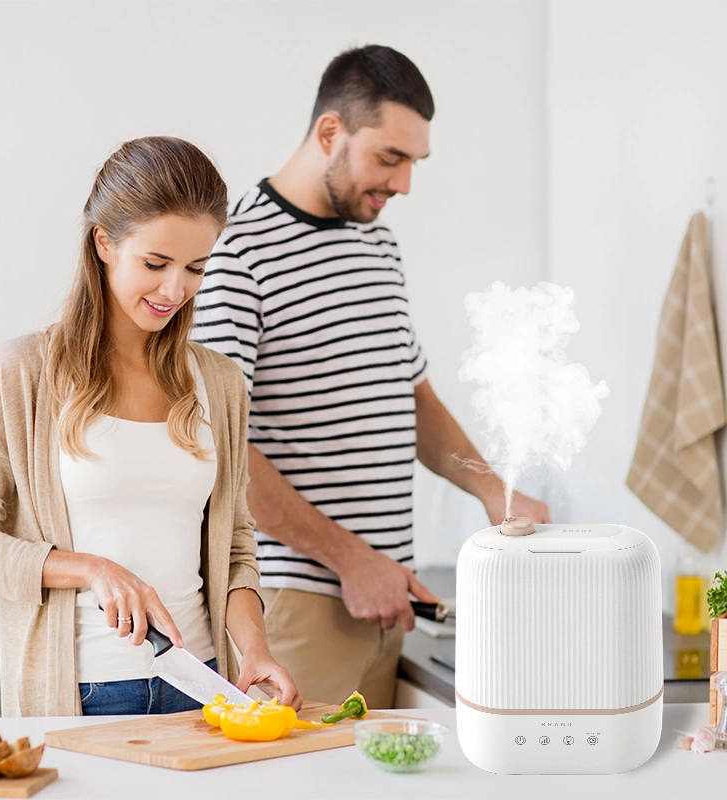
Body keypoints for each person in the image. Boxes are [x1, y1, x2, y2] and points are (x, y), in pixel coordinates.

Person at [192, 45, 551, 708]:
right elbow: (218, 449)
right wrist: (352, 562)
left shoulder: (376, 242)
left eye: (414, 162)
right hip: (297, 603)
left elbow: (408, 397)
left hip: (383, 597)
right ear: (330, 131)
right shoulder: (233, 250)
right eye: (390, 158)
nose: (405, 184)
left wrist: (492, 491)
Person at [0, 136, 301, 717]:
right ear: (104, 243)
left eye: (195, 268)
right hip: (80, 694)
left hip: (201, 687)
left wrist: (253, 647)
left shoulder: (221, 383)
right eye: (155, 264)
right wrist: (89, 569)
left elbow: (233, 546)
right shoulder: (21, 373)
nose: (174, 290)